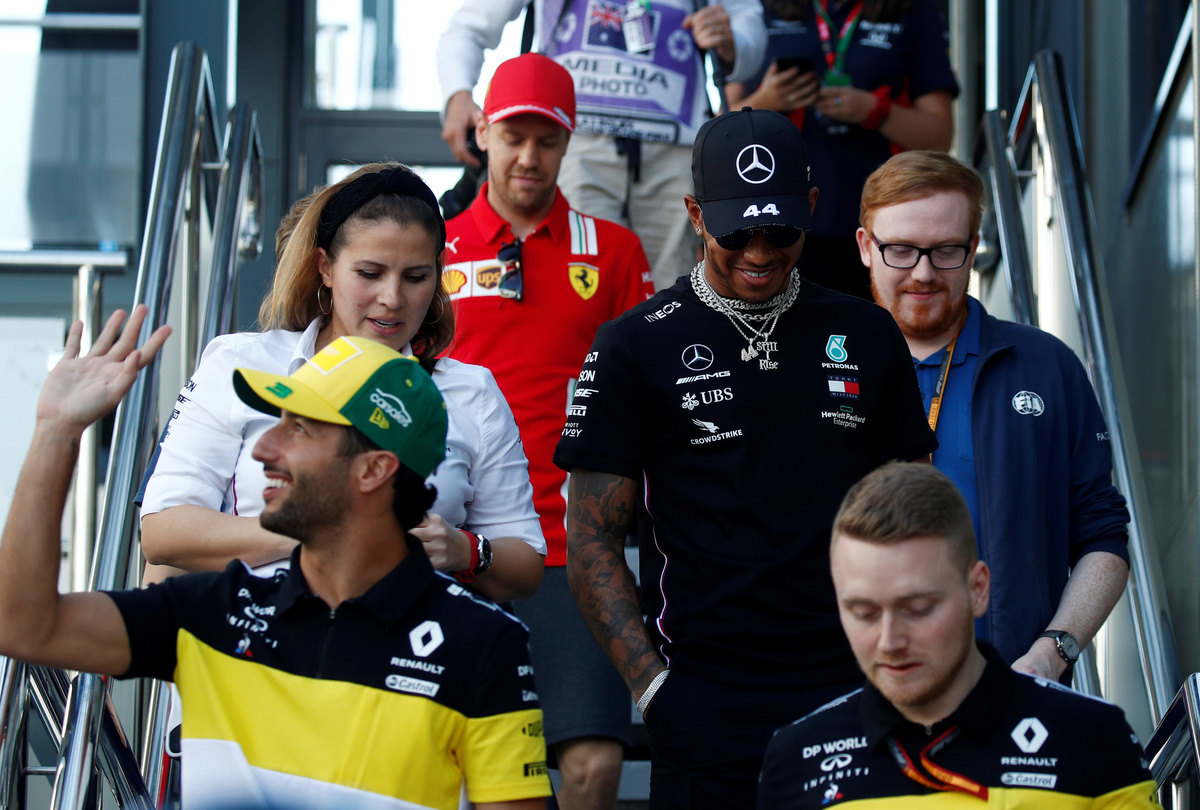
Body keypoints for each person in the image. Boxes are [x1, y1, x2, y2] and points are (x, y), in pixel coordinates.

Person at [0, 312, 552, 809]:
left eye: (299, 428)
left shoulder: (484, 644)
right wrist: (56, 432)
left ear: (373, 469)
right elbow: (21, 624)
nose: (264, 449)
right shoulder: (215, 610)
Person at [552, 106, 937, 808]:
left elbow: (919, 516)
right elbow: (590, 539)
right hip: (702, 701)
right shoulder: (634, 344)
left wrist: (902, 668)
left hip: (851, 689)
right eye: (736, 232)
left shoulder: (866, 332)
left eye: (780, 230)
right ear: (695, 215)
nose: (759, 252)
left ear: (812, 207)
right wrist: (654, 690)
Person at [141, 163, 546, 603]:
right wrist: (328, 532)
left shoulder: (472, 391)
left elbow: (525, 565)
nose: (392, 298)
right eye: (370, 273)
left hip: (414, 642)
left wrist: (463, 550)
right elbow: (164, 532)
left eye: (416, 277)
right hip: (260, 636)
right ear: (326, 268)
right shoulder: (240, 362)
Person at [442, 52, 654, 810]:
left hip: (572, 548)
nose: (529, 157)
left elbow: (645, 399)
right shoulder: (433, 248)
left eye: (547, 140)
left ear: (569, 143)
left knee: (594, 764)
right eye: (513, 137)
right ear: (483, 133)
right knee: (465, 767)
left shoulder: (615, 251)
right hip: (456, 543)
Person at [858, 150, 1131, 682]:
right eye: (901, 250)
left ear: (974, 247)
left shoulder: (1046, 366)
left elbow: (1102, 536)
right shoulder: (819, 370)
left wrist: (1052, 653)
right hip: (857, 695)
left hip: (1012, 690)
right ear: (867, 247)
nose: (923, 273)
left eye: (946, 251)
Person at [758, 462, 1159, 808]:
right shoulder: (795, 759)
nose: (889, 641)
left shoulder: (1093, 739)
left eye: (918, 609)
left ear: (977, 589)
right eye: (863, 613)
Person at [437, 0, 767, 292]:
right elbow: (469, 26)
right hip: (581, 146)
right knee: (582, 281)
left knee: (669, 295)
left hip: (672, 150)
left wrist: (732, 43)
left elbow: (749, 23)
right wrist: (457, 94)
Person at [725, 0, 957, 300]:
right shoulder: (760, 7)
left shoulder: (912, 9)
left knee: (872, 327)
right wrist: (765, 102)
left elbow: (940, 137)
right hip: (777, 218)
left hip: (883, 221)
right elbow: (720, 130)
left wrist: (875, 111)